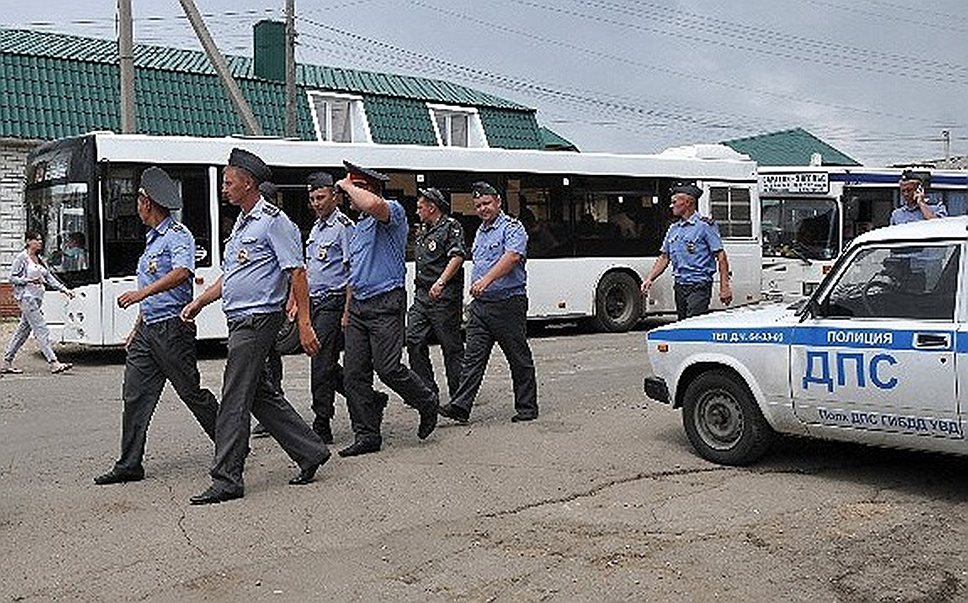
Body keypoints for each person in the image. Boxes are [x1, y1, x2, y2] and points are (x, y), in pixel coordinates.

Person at [180, 148, 330, 505]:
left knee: (234, 396)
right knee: (259, 394)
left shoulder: (273, 221)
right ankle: (310, 451)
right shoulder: (243, 225)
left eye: (229, 182)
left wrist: (305, 323)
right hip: (241, 318)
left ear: (248, 184)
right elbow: (233, 276)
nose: (223, 188)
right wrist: (202, 300)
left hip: (259, 319)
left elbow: (297, 271)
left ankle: (227, 477)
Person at [93, 167, 219, 485]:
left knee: (192, 394)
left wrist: (139, 295)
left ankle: (232, 445)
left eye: (138, 199)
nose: (136, 206)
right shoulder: (151, 240)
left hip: (172, 330)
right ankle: (129, 464)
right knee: (135, 395)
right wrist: (138, 324)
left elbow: (182, 272)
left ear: (147, 203)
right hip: (149, 329)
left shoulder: (178, 236)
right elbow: (152, 282)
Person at [336, 160, 439, 457]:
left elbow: (374, 205)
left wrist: (347, 185)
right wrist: (346, 310)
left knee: (388, 368)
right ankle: (367, 434)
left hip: (385, 302)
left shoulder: (392, 212)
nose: (347, 197)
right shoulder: (357, 229)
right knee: (355, 374)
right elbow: (353, 275)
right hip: (358, 306)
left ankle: (426, 401)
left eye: (353, 190)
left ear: (366, 190)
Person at [438, 181, 538, 424]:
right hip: (481, 306)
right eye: (478, 205)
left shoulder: (512, 228)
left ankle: (527, 407)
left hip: (507, 303)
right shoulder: (481, 231)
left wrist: (486, 280)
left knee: (517, 357)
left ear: (498, 202)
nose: (482, 208)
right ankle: (461, 406)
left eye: (486, 203)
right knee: (473, 358)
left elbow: (512, 256)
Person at [303, 171, 389, 444]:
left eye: (321, 197)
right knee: (326, 365)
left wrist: (347, 310)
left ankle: (321, 422)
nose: (316, 203)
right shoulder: (316, 228)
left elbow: (352, 270)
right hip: (316, 301)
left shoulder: (343, 227)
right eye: (312, 198)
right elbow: (310, 270)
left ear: (335, 196)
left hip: (334, 301)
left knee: (320, 363)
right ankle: (372, 399)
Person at [406, 187, 466, 400]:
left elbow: (457, 256)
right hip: (422, 295)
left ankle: (460, 396)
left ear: (432, 207)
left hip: (443, 296)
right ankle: (426, 391)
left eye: (420, 207)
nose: (417, 211)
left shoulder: (451, 227)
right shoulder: (423, 229)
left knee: (451, 346)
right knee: (413, 338)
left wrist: (441, 282)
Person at [641, 181, 732, 320]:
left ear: (688, 202)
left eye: (675, 201)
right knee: (683, 323)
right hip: (680, 285)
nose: (671, 205)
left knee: (692, 324)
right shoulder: (673, 229)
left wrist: (724, 287)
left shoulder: (704, 226)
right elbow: (665, 257)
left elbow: (721, 256)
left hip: (699, 285)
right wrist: (650, 278)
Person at [2, 232, 73, 375]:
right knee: (41, 329)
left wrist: (65, 290)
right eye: (37, 240)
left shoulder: (40, 259)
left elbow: (49, 277)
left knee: (22, 332)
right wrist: (28, 281)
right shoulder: (22, 258)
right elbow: (12, 278)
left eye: (41, 240)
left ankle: (6, 362)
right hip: (26, 298)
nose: (40, 242)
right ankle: (54, 363)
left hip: (37, 298)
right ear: (29, 241)